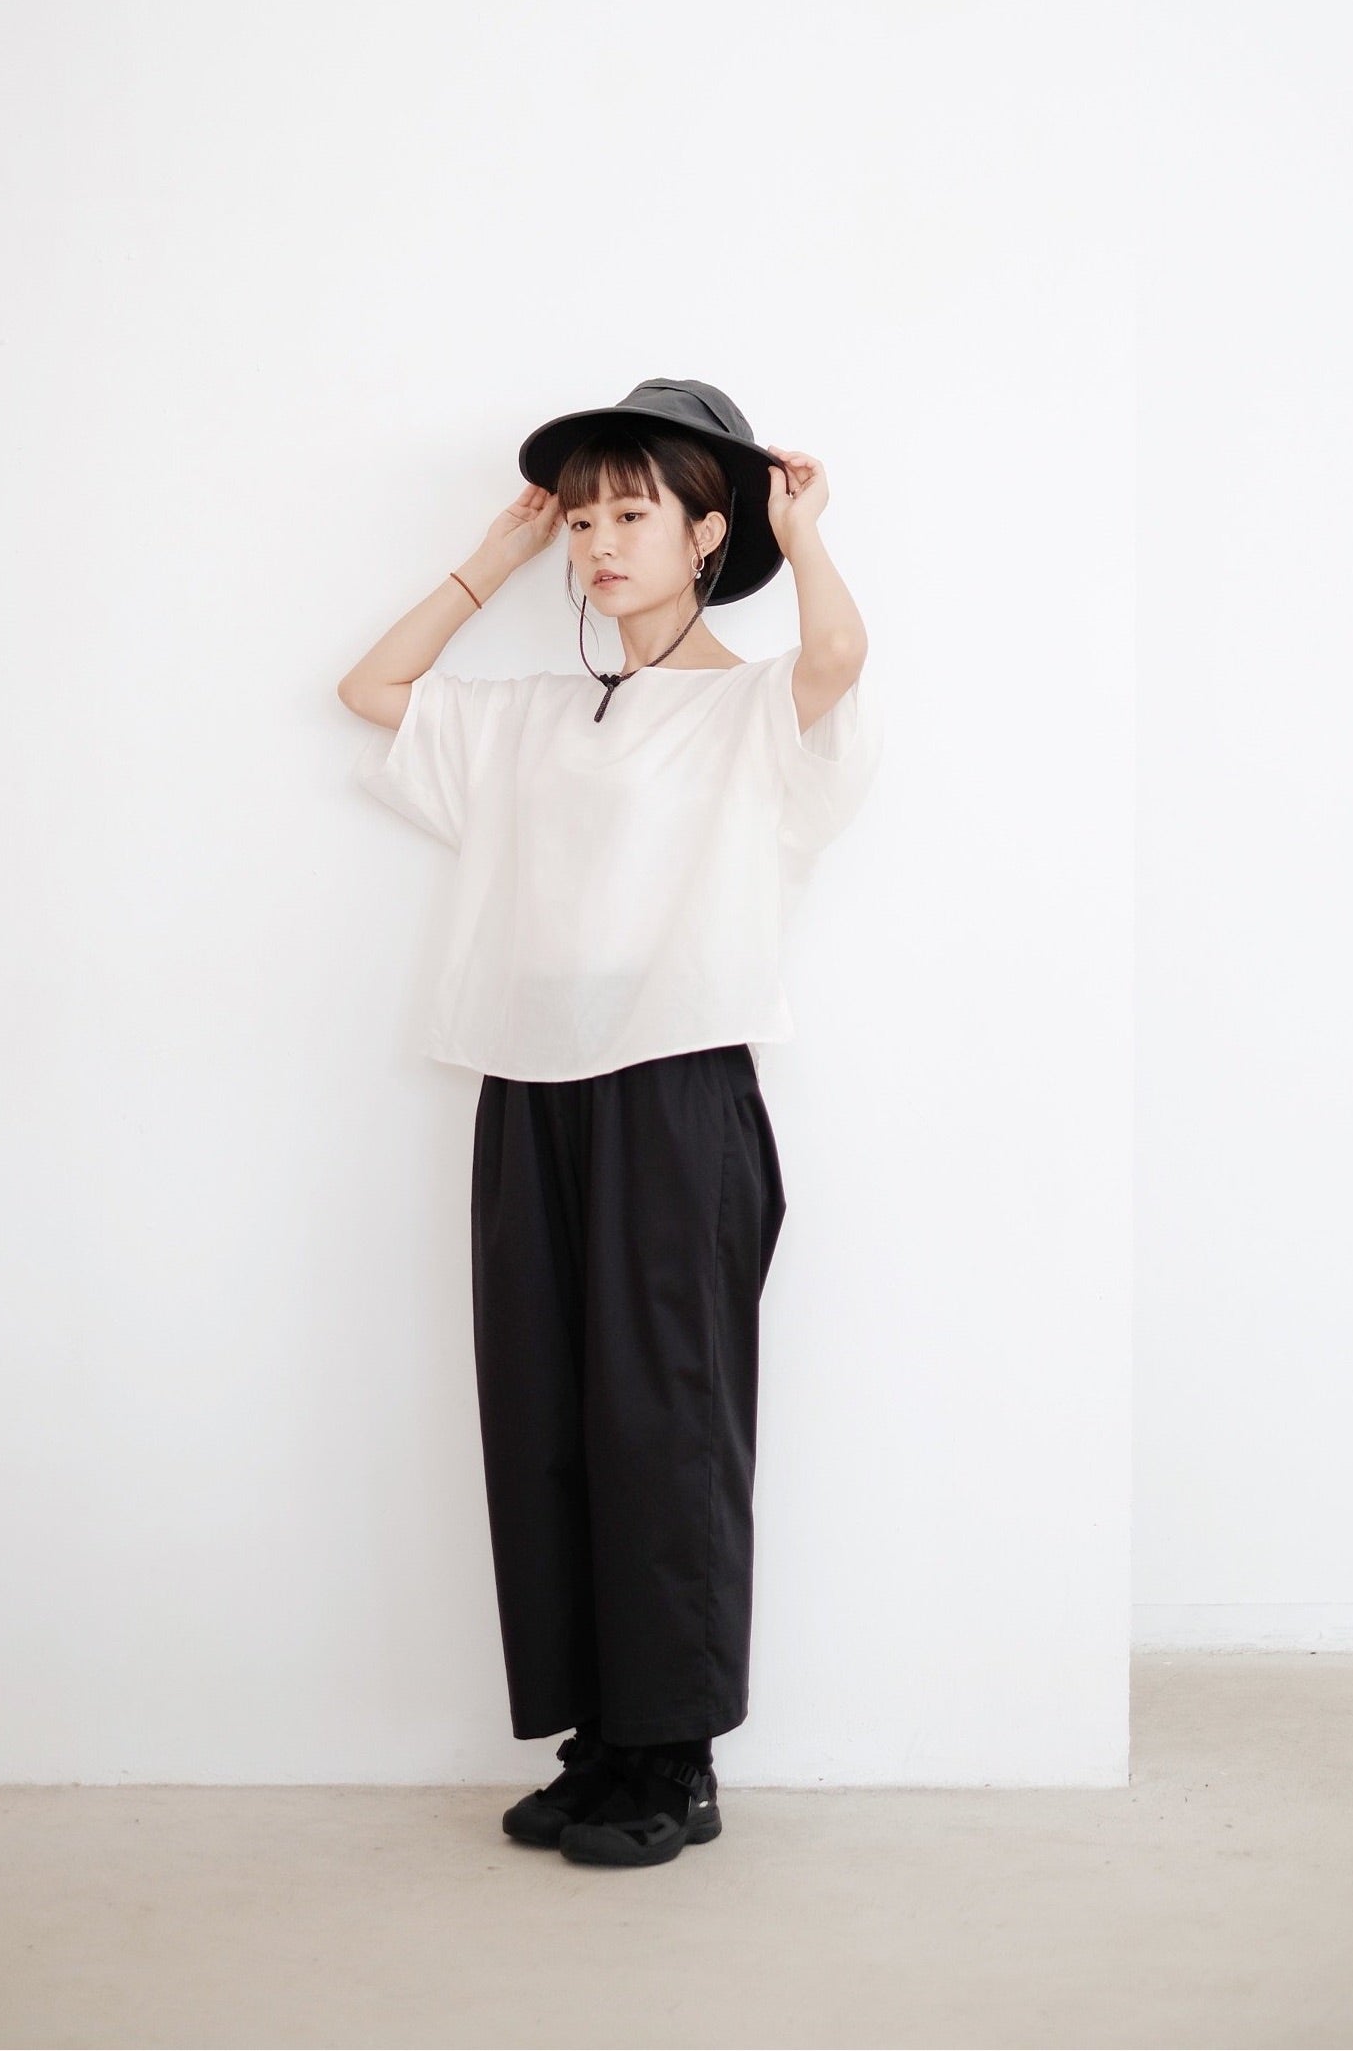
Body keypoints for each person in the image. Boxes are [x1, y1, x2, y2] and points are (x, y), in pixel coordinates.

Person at [337, 378, 883, 1867]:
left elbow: (836, 655)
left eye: (632, 512)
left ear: (707, 533)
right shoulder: (531, 718)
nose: (597, 542)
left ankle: (674, 1758)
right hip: (528, 1085)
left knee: (664, 1423)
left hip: (676, 1092)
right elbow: (373, 690)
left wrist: (800, 531)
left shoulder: (749, 707)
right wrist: (494, 556)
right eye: (582, 517)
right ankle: (597, 1744)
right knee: (545, 1417)